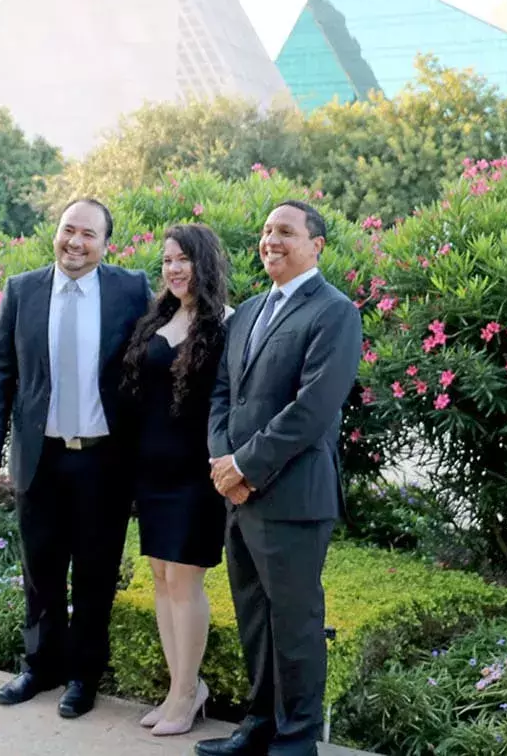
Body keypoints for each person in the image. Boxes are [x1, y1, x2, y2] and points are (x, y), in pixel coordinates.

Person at [197, 200, 363, 756]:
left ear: (316, 245)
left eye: (286, 232)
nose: (272, 240)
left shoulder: (335, 312)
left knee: (295, 626)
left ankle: (295, 742)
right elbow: (222, 395)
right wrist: (225, 466)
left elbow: (312, 409)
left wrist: (245, 466)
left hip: (293, 498)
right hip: (239, 498)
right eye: (267, 231)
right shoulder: (244, 313)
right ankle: (259, 727)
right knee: (255, 621)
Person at [0, 198, 151, 718]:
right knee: (40, 569)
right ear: (56, 233)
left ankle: (83, 677)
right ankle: (39, 667)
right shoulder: (22, 290)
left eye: (88, 235)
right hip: (41, 457)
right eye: (68, 230)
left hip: (105, 461)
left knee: (95, 574)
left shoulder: (130, 288)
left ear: (105, 244)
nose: (76, 242)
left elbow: (157, 359)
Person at [119, 224, 231, 736]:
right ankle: (177, 688)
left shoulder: (226, 324)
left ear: (204, 263)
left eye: (183, 259)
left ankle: (188, 694)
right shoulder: (157, 317)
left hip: (195, 474)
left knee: (184, 581)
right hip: (152, 471)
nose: (173, 269)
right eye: (166, 260)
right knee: (162, 579)